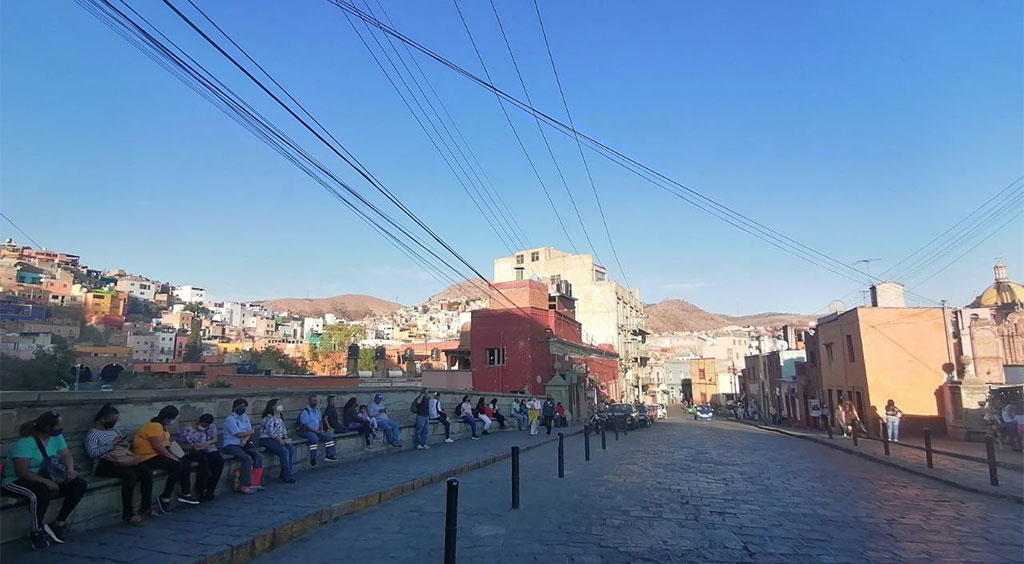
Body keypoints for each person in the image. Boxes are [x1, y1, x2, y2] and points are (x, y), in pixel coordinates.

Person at [3, 411, 88, 549]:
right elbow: (22, 471)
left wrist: (70, 470)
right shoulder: (25, 443)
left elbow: (66, 454)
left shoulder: (56, 438)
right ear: (48, 427)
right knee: (40, 492)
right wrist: (46, 482)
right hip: (17, 480)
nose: (61, 427)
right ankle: (36, 531)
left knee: (79, 484)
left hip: (47, 475)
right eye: (59, 425)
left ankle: (59, 524)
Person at [86, 404, 151, 525]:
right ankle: (128, 513)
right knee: (129, 475)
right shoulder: (93, 433)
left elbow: (124, 445)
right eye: (112, 420)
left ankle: (146, 506)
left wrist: (124, 444)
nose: (114, 423)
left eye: (116, 420)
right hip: (103, 463)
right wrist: (111, 444)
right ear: (103, 419)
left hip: (120, 459)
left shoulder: (115, 430)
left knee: (145, 471)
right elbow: (92, 453)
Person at [133, 405, 197, 512]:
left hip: (156, 455)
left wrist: (177, 455)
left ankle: (185, 493)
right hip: (147, 457)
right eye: (173, 419)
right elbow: (158, 447)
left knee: (186, 462)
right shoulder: (154, 426)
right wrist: (173, 458)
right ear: (167, 418)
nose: (173, 421)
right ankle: (165, 497)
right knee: (176, 465)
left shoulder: (162, 427)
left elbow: (166, 444)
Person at [178, 413, 225, 501]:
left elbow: (215, 439)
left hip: (209, 449)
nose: (204, 427)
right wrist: (193, 447)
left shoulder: (211, 426)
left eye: (206, 426)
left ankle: (210, 490)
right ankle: (200, 489)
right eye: (203, 425)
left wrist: (207, 443)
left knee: (219, 461)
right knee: (204, 462)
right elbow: (181, 444)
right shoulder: (187, 429)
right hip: (194, 450)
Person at [221, 398, 263, 493]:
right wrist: (248, 433)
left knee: (258, 456)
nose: (242, 409)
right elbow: (237, 434)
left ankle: (256, 482)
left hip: (243, 443)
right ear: (235, 407)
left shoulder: (245, 417)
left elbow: (250, 432)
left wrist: (245, 438)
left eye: (244, 407)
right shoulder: (230, 419)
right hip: (231, 444)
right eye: (240, 406)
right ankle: (245, 484)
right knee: (246, 458)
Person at [259, 399, 296, 483]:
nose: (280, 405)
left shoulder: (280, 416)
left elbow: (283, 429)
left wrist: (285, 437)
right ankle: (287, 476)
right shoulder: (269, 417)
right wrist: (279, 439)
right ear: (272, 406)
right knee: (284, 451)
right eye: (278, 404)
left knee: (290, 449)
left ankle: (285, 473)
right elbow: (270, 431)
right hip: (267, 439)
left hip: (278, 438)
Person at [298, 395, 339, 465]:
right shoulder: (305, 412)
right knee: (314, 439)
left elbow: (320, 421)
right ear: (309, 402)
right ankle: (313, 459)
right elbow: (305, 426)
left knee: (329, 436)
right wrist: (315, 431)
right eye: (313, 401)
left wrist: (322, 429)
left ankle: (329, 455)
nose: (315, 403)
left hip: (317, 430)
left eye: (316, 401)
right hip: (306, 431)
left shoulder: (317, 410)